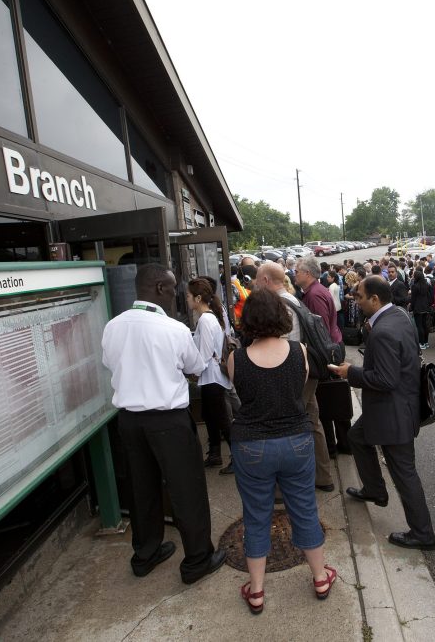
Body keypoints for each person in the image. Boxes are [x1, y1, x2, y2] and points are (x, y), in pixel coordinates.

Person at [100, 264, 226, 582]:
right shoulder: (173, 329)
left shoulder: (112, 326)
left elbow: (108, 364)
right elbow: (195, 367)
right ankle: (197, 559)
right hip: (168, 420)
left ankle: (145, 553)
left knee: (142, 488)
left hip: (129, 420)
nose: (175, 296)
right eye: (171, 289)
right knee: (187, 490)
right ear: (158, 288)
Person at [228, 289, 337, 614]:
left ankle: (257, 590)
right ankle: (319, 577)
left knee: (256, 515)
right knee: (304, 509)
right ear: (281, 316)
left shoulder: (236, 358)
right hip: (296, 440)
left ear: (248, 320)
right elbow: (298, 386)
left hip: (251, 444)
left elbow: (241, 393)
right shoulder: (298, 351)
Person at [330, 276, 435, 551]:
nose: (356, 301)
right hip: (391, 409)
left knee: (404, 474)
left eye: (360, 297)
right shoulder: (398, 314)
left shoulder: (384, 331)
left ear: (375, 300)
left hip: (394, 414)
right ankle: (375, 490)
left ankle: (423, 534)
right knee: (356, 436)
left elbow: (385, 379)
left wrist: (349, 372)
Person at [253, 262, 335, 492]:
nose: (257, 286)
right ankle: (323, 476)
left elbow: (281, 348)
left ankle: (292, 482)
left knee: (290, 425)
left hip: (295, 375)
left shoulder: (280, 305)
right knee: (312, 421)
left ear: (267, 281)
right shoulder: (293, 299)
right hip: (306, 371)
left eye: (259, 281)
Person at [187, 277, 234, 474]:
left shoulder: (206, 320)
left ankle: (237, 458)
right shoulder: (208, 318)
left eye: (189, 296)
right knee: (211, 416)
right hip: (211, 376)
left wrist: (193, 372)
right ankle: (215, 454)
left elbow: (205, 353)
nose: (187, 300)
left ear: (198, 298)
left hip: (211, 376)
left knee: (222, 419)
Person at [409, 267, 434, 350]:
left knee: (419, 326)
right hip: (426, 307)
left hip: (418, 308)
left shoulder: (415, 286)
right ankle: (426, 342)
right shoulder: (427, 285)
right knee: (425, 325)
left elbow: (413, 299)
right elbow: (431, 296)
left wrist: (411, 308)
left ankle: (421, 342)